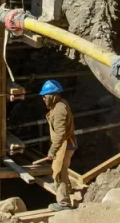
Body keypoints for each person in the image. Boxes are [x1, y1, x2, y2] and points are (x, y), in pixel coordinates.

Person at [41, 80, 76, 211]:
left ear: (53, 95)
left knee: (59, 173)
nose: (43, 98)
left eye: (45, 96)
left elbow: (61, 134)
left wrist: (52, 150)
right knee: (62, 170)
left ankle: (64, 203)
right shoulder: (59, 105)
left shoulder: (59, 110)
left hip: (64, 144)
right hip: (65, 143)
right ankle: (67, 189)